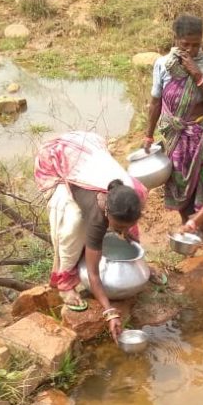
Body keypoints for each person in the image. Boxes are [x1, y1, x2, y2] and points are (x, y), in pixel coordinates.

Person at [34, 131, 147, 342]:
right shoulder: (97, 217)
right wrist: (110, 311)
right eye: (119, 226)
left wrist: (142, 263)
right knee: (72, 222)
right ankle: (64, 281)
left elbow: (129, 225)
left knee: (123, 226)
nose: (123, 231)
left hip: (87, 149)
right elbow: (94, 276)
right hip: (56, 158)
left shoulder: (136, 194)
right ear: (107, 213)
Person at [143, 14, 203, 224]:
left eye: (196, 45)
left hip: (202, 130)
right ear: (175, 39)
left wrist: (197, 74)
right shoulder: (163, 65)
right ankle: (186, 221)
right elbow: (155, 102)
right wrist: (148, 135)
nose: (191, 50)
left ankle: (202, 221)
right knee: (178, 178)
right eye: (185, 45)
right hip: (176, 134)